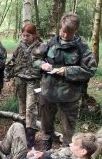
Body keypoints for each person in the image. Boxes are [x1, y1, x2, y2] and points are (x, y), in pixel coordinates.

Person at [33, 12, 97, 150]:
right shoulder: (51, 42)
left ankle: (67, 151)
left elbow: (91, 69)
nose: (65, 35)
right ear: (60, 28)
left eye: (69, 33)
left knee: (68, 128)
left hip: (70, 95)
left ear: (75, 31)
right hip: (48, 92)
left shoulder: (82, 47)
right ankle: (46, 144)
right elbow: (34, 59)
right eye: (63, 31)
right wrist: (42, 65)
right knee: (46, 123)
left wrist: (68, 71)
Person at [4, 24, 45, 149]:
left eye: (28, 35)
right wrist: (7, 78)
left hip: (34, 81)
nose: (25, 38)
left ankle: (30, 134)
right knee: (22, 106)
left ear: (34, 35)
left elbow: (47, 64)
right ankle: (21, 130)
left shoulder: (41, 47)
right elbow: (12, 62)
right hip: (20, 79)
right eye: (24, 35)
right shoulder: (20, 47)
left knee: (31, 107)